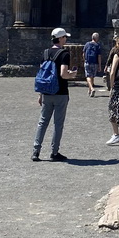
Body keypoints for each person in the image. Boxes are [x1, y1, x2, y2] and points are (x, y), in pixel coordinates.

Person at [32, 27, 77, 162]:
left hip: (46, 92)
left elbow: (42, 74)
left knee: (42, 122)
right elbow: (63, 74)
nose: (66, 40)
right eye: (65, 37)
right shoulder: (64, 54)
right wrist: (73, 74)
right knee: (58, 124)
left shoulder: (45, 53)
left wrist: (40, 94)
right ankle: (54, 152)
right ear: (61, 38)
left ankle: (36, 151)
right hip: (60, 93)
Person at [82, 32, 103, 97]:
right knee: (92, 76)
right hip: (95, 63)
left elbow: (83, 53)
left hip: (88, 62)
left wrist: (84, 60)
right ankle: (90, 90)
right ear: (97, 38)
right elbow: (99, 56)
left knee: (88, 76)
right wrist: (99, 65)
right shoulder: (97, 45)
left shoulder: (87, 44)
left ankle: (91, 88)